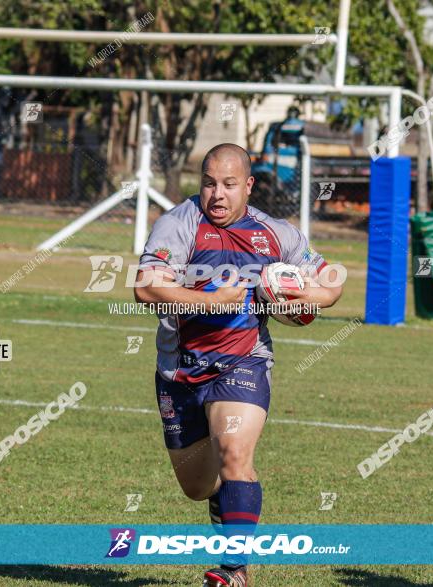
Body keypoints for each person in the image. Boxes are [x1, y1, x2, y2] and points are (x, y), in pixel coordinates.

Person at [134, 144, 343, 586]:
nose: (217, 195)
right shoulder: (178, 225)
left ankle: (233, 572)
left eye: (229, 185)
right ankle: (223, 505)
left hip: (243, 361)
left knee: (234, 455)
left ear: (248, 185)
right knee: (196, 486)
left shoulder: (275, 234)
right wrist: (209, 299)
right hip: (180, 371)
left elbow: (329, 285)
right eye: (209, 183)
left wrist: (300, 298)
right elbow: (146, 288)